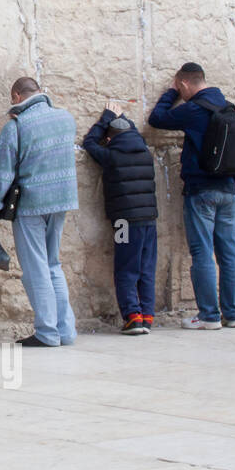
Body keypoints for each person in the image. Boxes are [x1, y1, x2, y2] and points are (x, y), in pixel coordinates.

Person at [0, 77, 79, 347]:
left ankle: (47, 333)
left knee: (35, 267)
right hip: (62, 201)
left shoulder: (16, 127)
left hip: (31, 204)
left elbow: (1, 176)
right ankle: (65, 330)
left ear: (16, 95)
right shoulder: (66, 118)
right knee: (53, 264)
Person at [147, 62, 235, 330]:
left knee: (202, 252)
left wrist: (170, 93)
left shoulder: (193, 109)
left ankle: (209, 316)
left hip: (201, 190)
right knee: (229, 251)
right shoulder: (230, 108)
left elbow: (157, 119)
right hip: (228, 189)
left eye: (180, 87)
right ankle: (234, 313)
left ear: (184, 84)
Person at [82, 103, 158, 335]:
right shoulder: (144, 150)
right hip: (149, 220)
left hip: (125, 221)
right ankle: (147, 315)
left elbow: (88, 142)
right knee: (146, 268)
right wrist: (121, 116)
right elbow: (130, 131)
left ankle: (132, 317)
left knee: (126, 267)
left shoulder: (111, 155)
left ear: (109, 138)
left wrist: (106, 117)